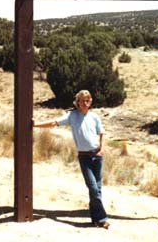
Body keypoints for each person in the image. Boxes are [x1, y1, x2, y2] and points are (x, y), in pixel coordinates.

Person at [32, 89, 110, 229]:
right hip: (84, 157)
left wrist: (102, 150)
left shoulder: (94, 117)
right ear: (77, 102)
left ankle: (96, 219)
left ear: (90, 101)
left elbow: (102, 134)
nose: (84, 103)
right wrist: (36, 125)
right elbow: (54, 122)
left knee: (97, 189)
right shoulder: (72, 116)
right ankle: (102, 218)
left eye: (87, 100)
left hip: (97, 156)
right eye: (82, 101)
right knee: (93, 188)